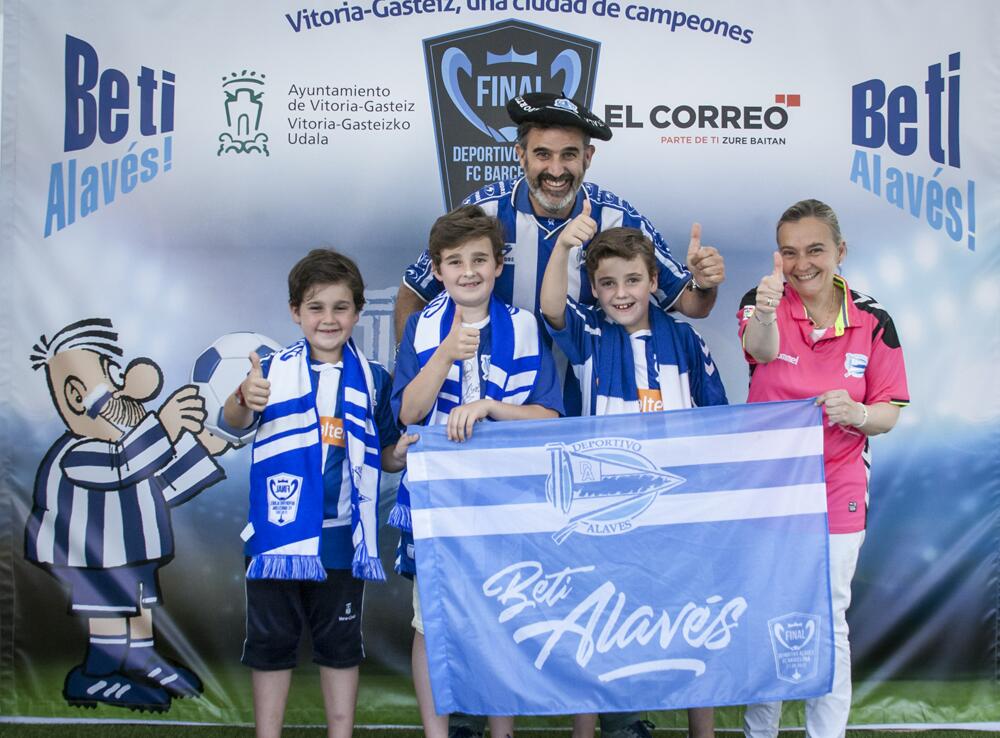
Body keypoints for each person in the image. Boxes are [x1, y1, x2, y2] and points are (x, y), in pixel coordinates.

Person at [540, 218, 727, 738]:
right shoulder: (591, 334)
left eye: (632, 281)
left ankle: (703, 731)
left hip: (678, 511)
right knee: (595, 620)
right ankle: (587, 728)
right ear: (594, 289)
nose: (621, 294)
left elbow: (718, 422)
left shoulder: (686, 342)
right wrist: (562, 248)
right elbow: (553, 306)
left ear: (653, 283)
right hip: (606, 512)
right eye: (607, 283)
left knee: (694, 621)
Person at [222, 249, 415, 738]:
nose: (328, 319)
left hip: (342, 541)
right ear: (295, 312)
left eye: (340, 307)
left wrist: (410, 450)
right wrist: (245, 397)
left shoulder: (373, 378)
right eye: (315, 307)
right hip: (275, 542)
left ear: (356, 311)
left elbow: (388, 456)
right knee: (271, 647)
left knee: (341, 647)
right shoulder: (270, 370)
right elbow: (233, 424)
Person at [394, 93, 726, 373]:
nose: (556, 171)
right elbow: (415, 291)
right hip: (494, 401)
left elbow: (693, 304)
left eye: (569, 155)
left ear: (588, 157)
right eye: (542, 155)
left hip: (588, 404)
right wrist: (414, 375)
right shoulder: (483, 212)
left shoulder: (618, 218)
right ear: (521, 155)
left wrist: (704, 283)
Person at [390, 204, 564, 738]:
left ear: (498, 264)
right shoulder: (422, 328)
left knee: (502, 617)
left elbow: (551, 417)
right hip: (437, 500)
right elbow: (408, 413)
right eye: (455, 262)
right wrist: (445, 352)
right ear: (438, 270)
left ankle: (502, 730)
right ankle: (436, 732)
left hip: (505, 499)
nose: (468, 271)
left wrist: (492, 408)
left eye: (479, 260)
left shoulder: (525, 327)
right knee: (432, 621)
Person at [738, 199, 909, 738]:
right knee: (768, 611)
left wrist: (858, 414)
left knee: (829, 619)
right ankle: (759, 732)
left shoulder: (873, 318)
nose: (802, 263)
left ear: (840, 251)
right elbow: (760, 352)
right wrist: (765, 313)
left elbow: (888, 411)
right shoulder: (760, 300)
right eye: (789, 252)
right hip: (768, 487)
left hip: (838, 485)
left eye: (815, 249)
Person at [25, 318, 228, 712]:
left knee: (138, 608)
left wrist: (202, 448)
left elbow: (161, 486)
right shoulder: (79, 451)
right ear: (75, 393)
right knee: (110, 612)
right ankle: (95, 677)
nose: (129, 388)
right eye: (113, 376)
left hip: (132, 553)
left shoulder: (126, 448)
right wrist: (165, 427)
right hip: (95, 558)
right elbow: (122, 466)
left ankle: (143, 660)